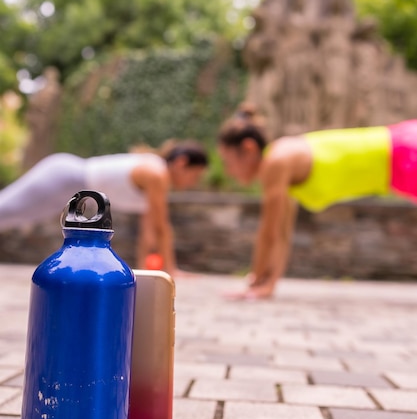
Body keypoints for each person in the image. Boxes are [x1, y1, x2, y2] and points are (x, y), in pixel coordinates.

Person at [217, 103, 417, 299]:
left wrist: (254, 282)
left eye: (228, 162)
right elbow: (283, 233)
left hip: (405, 153)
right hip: (399, 165)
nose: (228, 171)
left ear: (249, 149)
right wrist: (267, 283)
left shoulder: (276, 162)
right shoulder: (282, 163)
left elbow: (269, 233)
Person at [0, 141, 208, 275]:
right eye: (195, 174)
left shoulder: (155, 171)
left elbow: (150, 231)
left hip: (68, 189)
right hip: (64, 177)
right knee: (6, 210)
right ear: (181, 163)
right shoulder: (156, 174)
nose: (194, 182)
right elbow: (162, 227)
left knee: (12, 217)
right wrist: (171, 270)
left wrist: (147, 272)